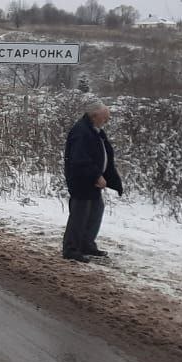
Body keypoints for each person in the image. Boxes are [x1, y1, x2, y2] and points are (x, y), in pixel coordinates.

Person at [62, 99, 123, 263]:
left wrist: (111, 179)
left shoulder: (95, 130)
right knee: (80, 215)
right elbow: (80, 159)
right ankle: (71, 249)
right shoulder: (81, 132)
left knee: (95, 211)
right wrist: (96, 175)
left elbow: (104, 155)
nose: (107, 120)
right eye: (105, 117)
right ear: (94, 115)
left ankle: (86, 244)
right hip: (81, 181)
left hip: (91, 182)